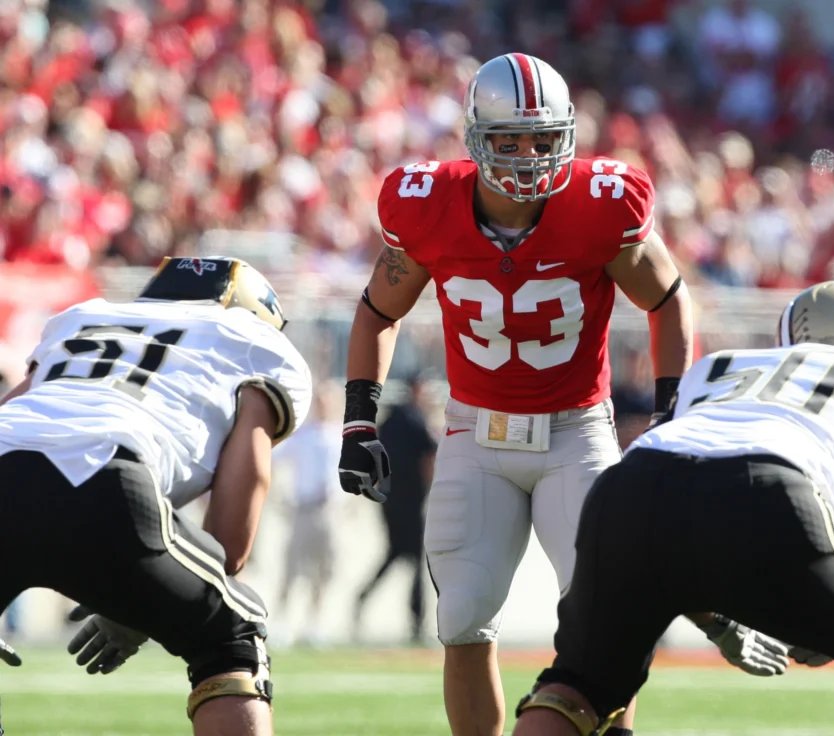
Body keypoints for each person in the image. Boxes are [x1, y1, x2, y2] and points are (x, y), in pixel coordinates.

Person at [338, 52, 693, 736]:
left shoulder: (600, 204)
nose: (529, 155)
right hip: (477, 433)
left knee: (604, 619)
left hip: (576, 433)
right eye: (509, 139)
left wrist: (672, 414)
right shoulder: (427, 203)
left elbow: (670, 301)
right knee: (463, 614)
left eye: (543, 138)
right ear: (477, 138)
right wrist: (359, 422)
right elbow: (377, 312)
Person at [513, 281, 834, 736]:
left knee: (578, 688)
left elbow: (678, 501)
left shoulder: (719, 367)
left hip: (625, 488)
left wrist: (717, 618)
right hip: (768, 490)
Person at [0, 256, 312, 736]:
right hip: (102, 471)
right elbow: (228, 546)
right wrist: (141, 604)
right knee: (231, 634)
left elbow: (17, 419)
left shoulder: (85, 318)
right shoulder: (251, 345)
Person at [353, 374, 436, 644]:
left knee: (397, 554)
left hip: (389, 499)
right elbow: (429, 457)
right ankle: (416, 619)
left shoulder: (389, 419)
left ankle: (364, 596)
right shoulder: (415, 419)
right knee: (414, 560)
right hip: (410, 501)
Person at [275, 382, 344, 644]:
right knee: (293, 567)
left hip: (330, 510)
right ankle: (283, 621)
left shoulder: (340, 435)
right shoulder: (303, 435)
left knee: (324, 570)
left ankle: (315, 622)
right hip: (304, 508)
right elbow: (277, 460)